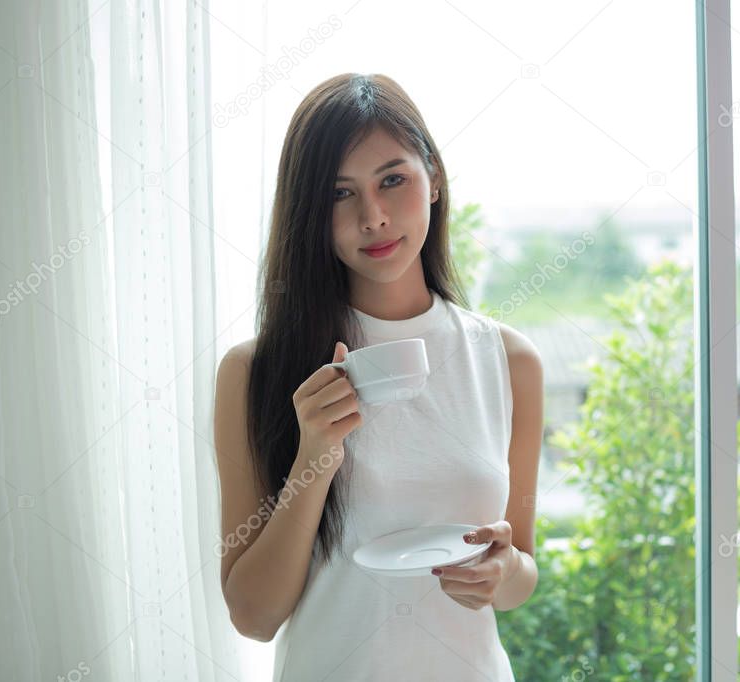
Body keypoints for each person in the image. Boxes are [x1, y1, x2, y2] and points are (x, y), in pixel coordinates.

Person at [213, 73, 544, 681]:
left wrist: (502, 574)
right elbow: (254, 617)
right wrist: (316, 455)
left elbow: (519, 568)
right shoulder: (255, 373)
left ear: (435, 179)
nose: (374, 217)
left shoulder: (509, 361)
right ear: (310, 212)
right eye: (341, 194)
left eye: (393, 179)